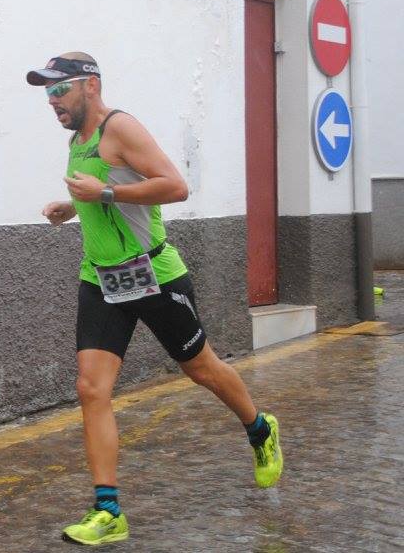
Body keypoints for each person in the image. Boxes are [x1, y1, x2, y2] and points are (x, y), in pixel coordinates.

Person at [28, 52, 283, 546]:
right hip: (101, 280)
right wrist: (73, 206)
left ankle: (259, 428)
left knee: (202, 369)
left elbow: (175, 186)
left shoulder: (120, 128)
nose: (52, 101)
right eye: (47, 93)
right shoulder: (77, 140)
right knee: (91, 389)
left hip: (153, 275)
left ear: (90, 86)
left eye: (60, 89)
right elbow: (103, 192)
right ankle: (108, 511)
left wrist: (103, 194)